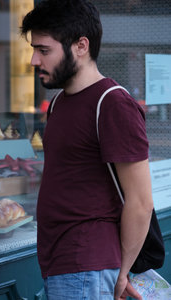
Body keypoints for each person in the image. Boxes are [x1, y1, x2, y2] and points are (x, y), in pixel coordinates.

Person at [21, 1, 153, 299]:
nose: (33, 60)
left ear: (81, 46)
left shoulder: (112, 103)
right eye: (33, 49)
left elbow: (141, 201)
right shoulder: (59, 102)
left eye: (44, 50)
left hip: (87, 267)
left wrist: (121, 273)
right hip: (59, 262)